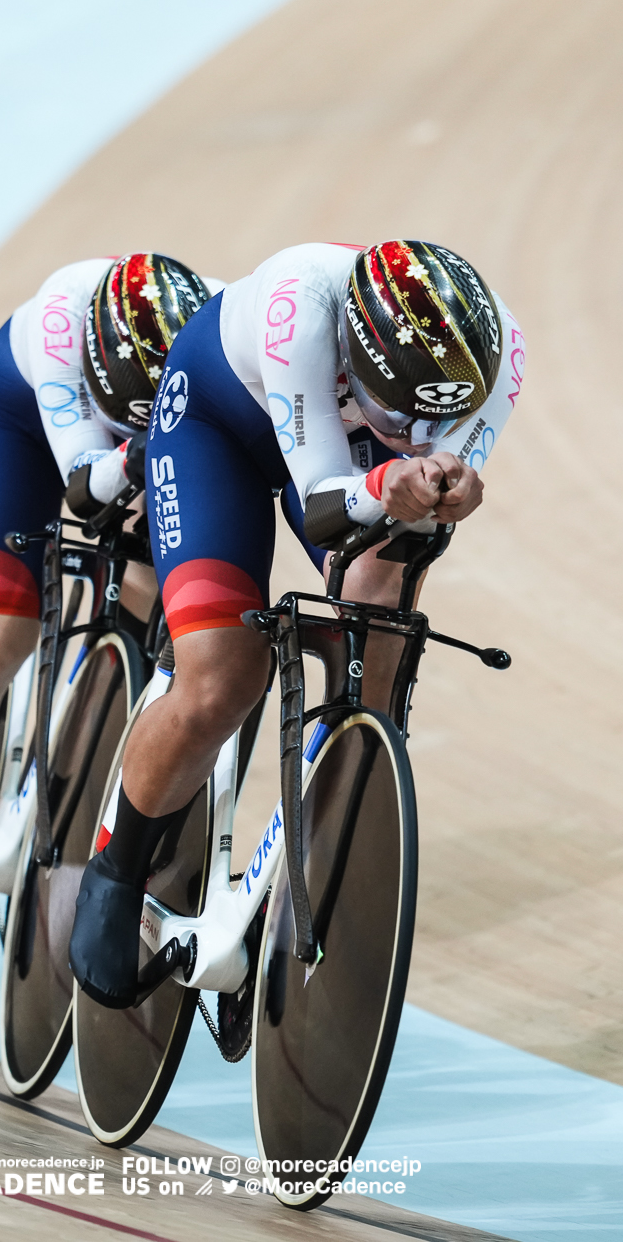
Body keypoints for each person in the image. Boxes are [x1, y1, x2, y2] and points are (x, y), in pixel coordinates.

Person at [67, 239, 526, 1007]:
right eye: (401, 415)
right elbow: (321, 498)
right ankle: (115, 868)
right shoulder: (299, 309)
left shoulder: (498, 359)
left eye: (432, 421)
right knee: (223, 677)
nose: (417, 430)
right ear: (355, 359)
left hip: (350, 445)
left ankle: (316, 868)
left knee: (380, 620)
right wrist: (389, 476)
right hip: (222, 423)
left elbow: (424, 497)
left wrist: (441, 488)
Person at [0, 253, 216, 961]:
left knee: (155, 607)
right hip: (19, 422)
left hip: (159, 438)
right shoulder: (58, 330)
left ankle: (107, 786)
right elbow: (85, 489)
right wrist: (130, 460)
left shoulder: (217, 336)